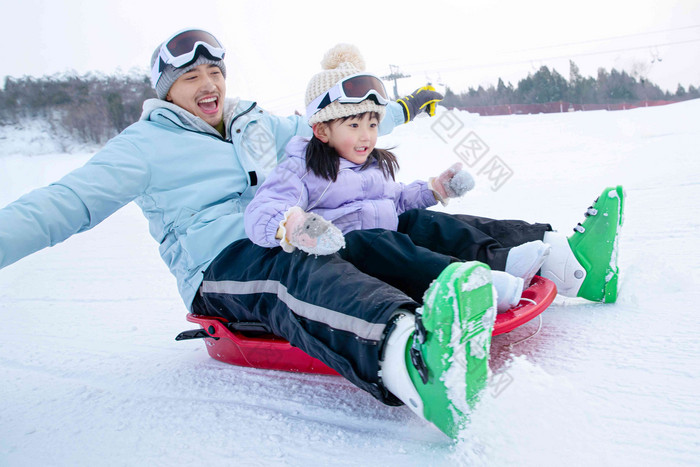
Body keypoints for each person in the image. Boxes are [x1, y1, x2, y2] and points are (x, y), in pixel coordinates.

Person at [0, 29, 624, 439]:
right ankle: (413, 356)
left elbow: (325, 120)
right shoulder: (144, 147)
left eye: (214, 70)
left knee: (393, 218)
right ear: (167, 90)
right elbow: (64, 204)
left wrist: (402, 109)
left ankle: (559, 258)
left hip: (301, 226)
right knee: (291, 273)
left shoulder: (251, 121)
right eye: (192, 78)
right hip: (222, 262)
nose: (209, 84)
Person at [244, 44, 535, 313]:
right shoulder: (301, 168)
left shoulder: (370, 165)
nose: (367, 135)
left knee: (418, 222)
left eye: (372, 124)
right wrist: (294, 225)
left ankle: (500, 260)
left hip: (385, 251)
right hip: (345, 264)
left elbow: (396, 200)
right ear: (322, 131)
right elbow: (261, 211)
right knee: (379, 243)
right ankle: (470, 287)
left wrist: (435, 188)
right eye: (354, 124)